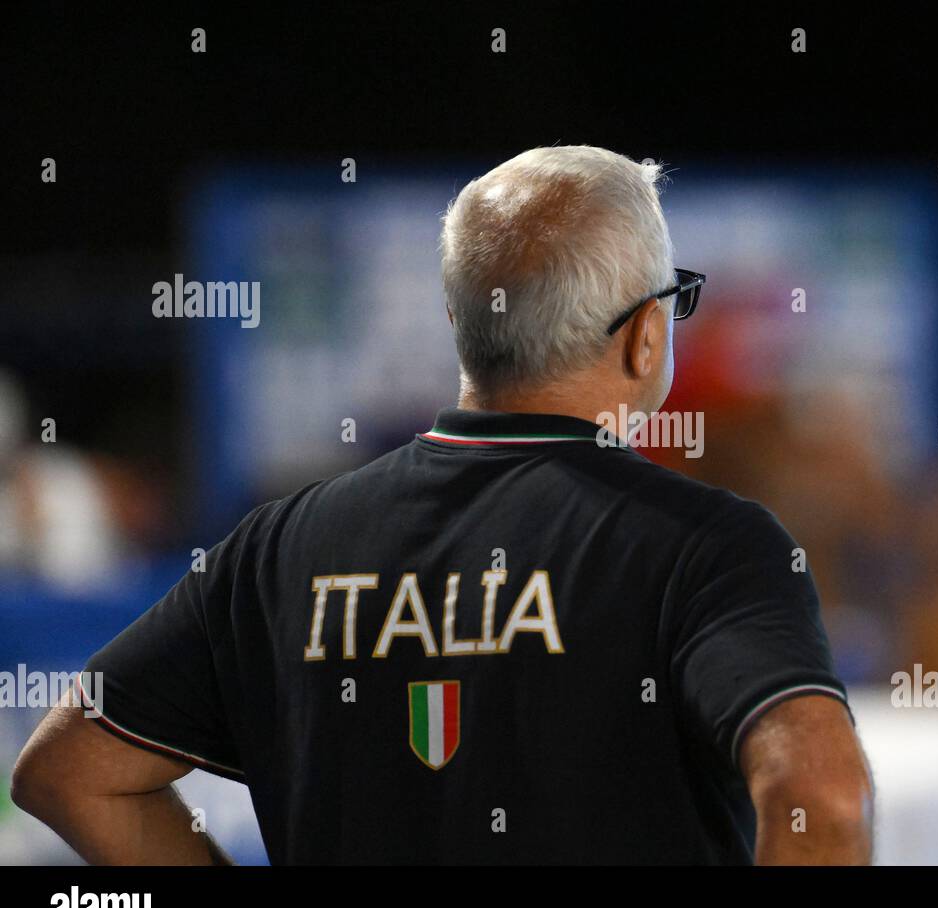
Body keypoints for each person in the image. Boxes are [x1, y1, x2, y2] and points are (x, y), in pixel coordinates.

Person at [12, 145, 872, 865]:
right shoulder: (706, 547)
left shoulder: (278, 548)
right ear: (646, 334)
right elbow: (822, 800)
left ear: (463, 322)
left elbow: (65, 770)